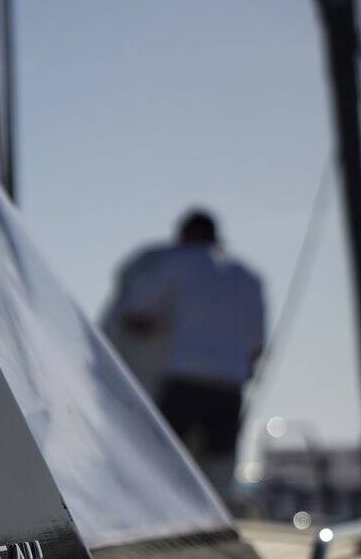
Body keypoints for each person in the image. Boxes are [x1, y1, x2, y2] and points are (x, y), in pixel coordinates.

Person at [103, 209, 265, 497]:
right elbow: (255, 345)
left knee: (164, 458)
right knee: (219, 464)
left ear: (186, 235)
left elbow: (136, 312)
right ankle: (219, 514)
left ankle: (159, 510)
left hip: (185, 379)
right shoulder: (247, 277)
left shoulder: (177, 263)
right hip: (229, 385)